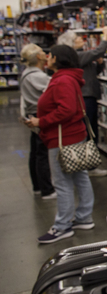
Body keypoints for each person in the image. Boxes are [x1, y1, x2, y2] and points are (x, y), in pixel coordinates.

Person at [25, 45, 96, 244]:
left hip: (63, 138)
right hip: (73, 135)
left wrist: (41, 121)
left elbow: (66, 109)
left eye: (50, 55)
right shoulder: (69, 77)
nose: (47, 57)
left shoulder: (62, 80)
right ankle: (84, 218)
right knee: (80, 176)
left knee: (62, 183)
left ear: (57, 58)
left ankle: (62, 226)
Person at [57, 27, 107, 176]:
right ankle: (87, 168)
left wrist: (99, 64)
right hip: (84, 99)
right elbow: (98, 51)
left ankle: (87, 166)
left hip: (88, 97)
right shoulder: (76, 57)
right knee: (88, 131)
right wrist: (105, 36)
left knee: (90, 130)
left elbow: (94, 72)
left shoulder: (81, 57)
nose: (81, 39)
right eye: (77, 39)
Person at [19, 44, 55, 200]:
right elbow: (55, 90)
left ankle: (38, 187)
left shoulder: (27, 73)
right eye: (42, 52)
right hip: (39, 116)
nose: (46, 53)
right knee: (42, 153)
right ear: (39, 57)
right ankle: (47, 190)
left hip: (32, 114)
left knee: (35, 151)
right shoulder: (38, 76)